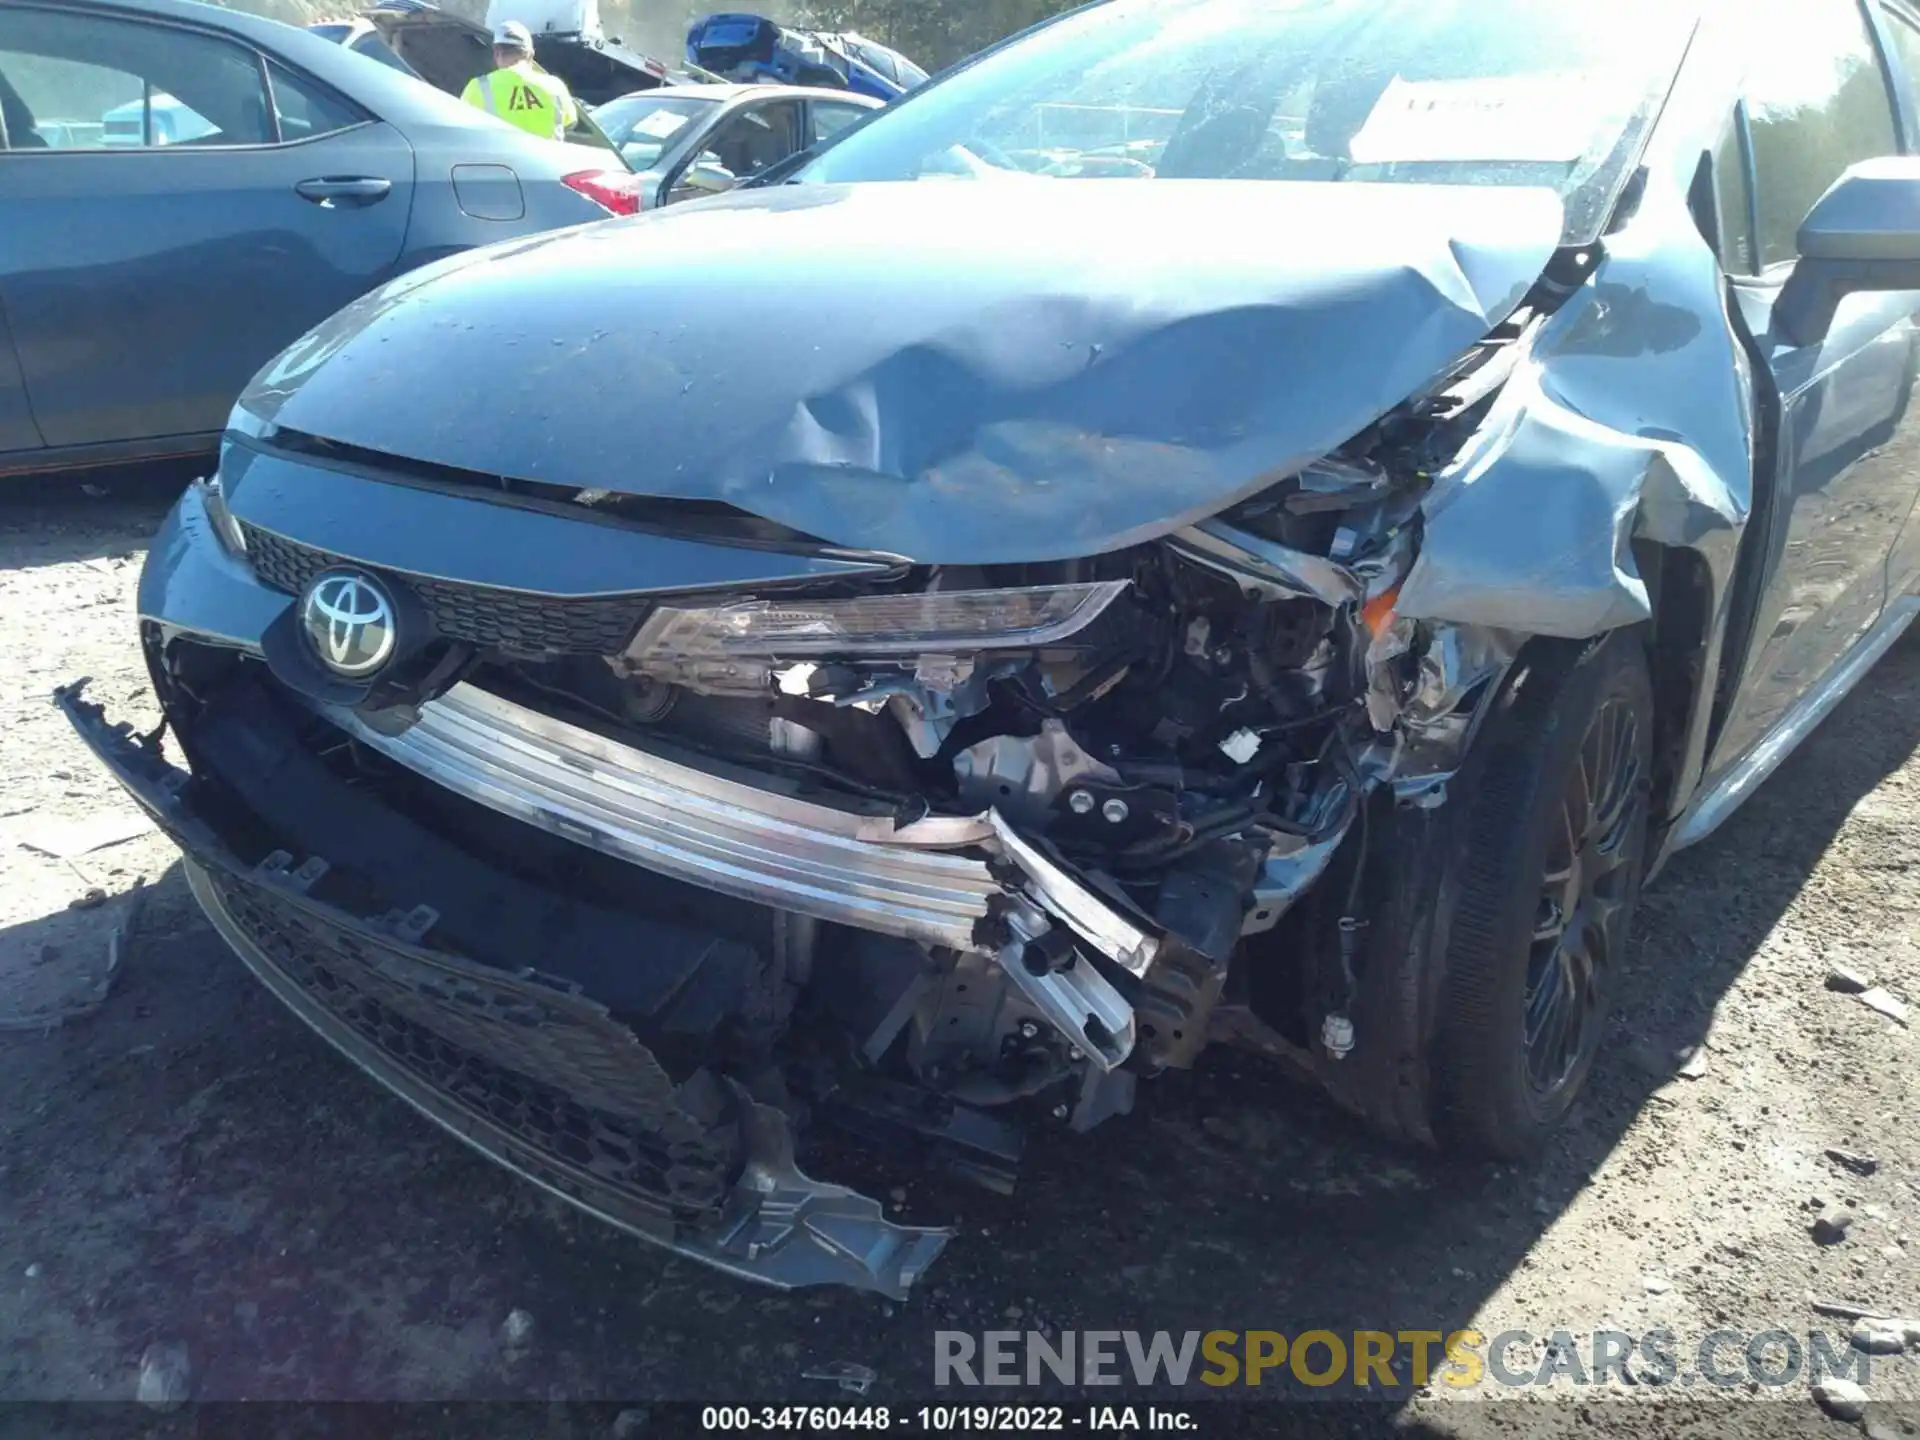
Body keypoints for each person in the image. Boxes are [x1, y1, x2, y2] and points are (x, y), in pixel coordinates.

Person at [461, 21, 577, 141]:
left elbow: (462, 132)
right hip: (547, 159)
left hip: (499, 159)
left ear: (496, 54)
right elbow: (570, 124)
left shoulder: (478, 87)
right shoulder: (555, 86)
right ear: (530, 55)